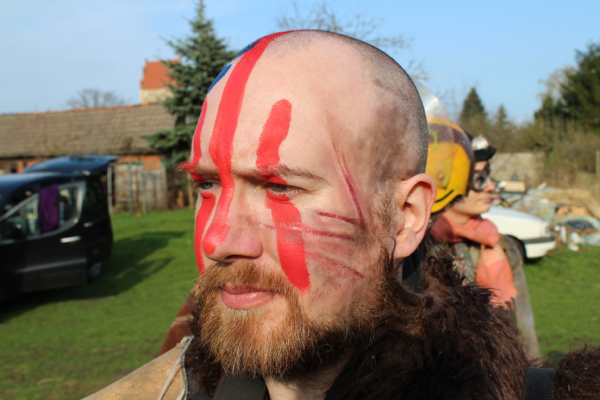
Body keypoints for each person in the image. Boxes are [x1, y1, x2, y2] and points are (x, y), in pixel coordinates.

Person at [84, 30, 598, 400]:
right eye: (207, 185)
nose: (218, 240)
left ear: (405, 215)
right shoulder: (157, 391)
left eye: (278, 186)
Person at [428, 130, 541, 359]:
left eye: (488, 175)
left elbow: (523, 327)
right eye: (478, 178)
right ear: (446, 181)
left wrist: (532, 371)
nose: (490, 186)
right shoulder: (418, 249)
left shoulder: (501, 245)